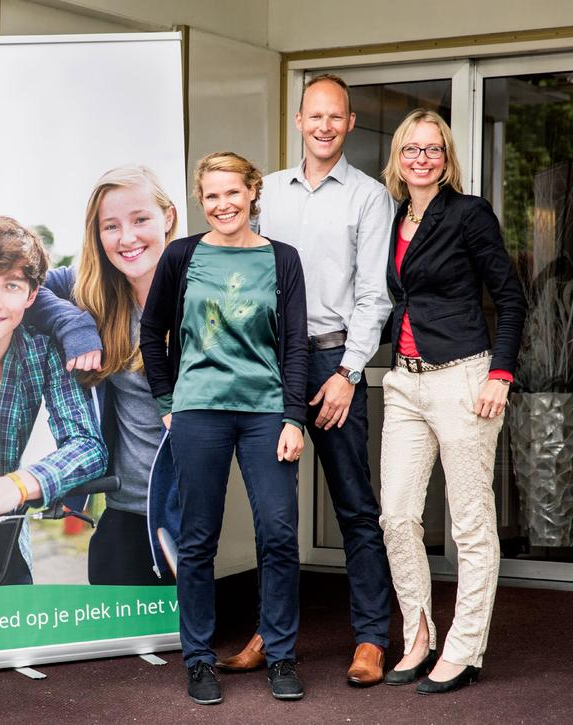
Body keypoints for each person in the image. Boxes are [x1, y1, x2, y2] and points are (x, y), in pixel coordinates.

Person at [218, 72, 395, 688]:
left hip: (332, 362)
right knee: (276, 515)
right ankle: (272, 633)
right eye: (313, 115)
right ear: (298, 121)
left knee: (354, 506)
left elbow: (374, 297)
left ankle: (372, 638)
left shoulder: (369, 197)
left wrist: (349, 372)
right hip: (268, 364)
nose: (324, 126)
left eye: (335, 117)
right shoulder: (264, 192)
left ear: (349, 124)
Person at [140, 151, 309, 704]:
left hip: (265, 414)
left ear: (252, 193)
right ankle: (198, 659)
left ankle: (280, 654)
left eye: (232, 193)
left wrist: (293, 417)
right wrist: (169, 402)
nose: (222, 205)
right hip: (199, 414)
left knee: (279, 534)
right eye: (211, 196)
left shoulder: (282, 260)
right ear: (200, 200)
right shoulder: (181, 256)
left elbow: (295, 347)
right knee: (197, 539)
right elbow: (153, 333)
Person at [378, 110, 524, 694]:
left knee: (470, 524)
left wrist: (501, 374)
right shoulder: (396, 218)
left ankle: (464, 649)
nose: (421, 158)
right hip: (405, 384)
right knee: (396, 515)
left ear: (446, 156)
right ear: (397, 157)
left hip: (464, 379)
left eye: (432, 149)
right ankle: (418, 633)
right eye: (411, 149)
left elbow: (510, 298)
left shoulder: (468, 214)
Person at [25, 165, 180, 586]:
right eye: (111, 226)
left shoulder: (199, 289)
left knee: (194, 645)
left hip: (187, 512)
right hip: (123, 511)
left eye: (140, 219)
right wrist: (73, 325)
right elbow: (20, 285)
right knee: (116, 648)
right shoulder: (93, 289)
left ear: (168, 217)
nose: (127, 238)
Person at [0, 215, 107, 589]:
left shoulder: (41, 350)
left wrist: (19, 485)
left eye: (12, 286)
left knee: (10, 621)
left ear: (32, 295)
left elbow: (88, 446)